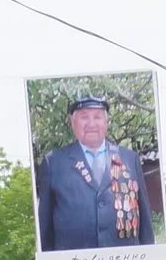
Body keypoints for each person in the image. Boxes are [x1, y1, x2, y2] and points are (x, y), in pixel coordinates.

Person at [34, 91, 152, 251]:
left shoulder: (130, 159)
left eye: (97, 117)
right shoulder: (54, 162)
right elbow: (44, 228)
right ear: (72, 122)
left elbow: (145, 220)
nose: (91, 124)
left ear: (106, 122)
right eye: (84, 117)